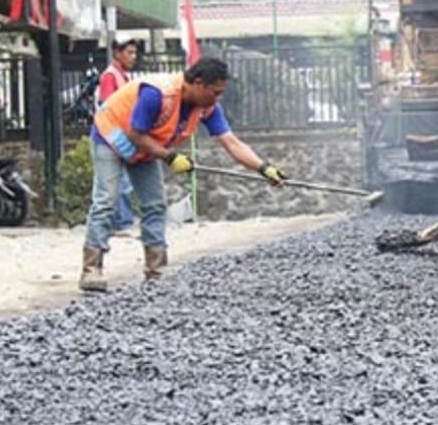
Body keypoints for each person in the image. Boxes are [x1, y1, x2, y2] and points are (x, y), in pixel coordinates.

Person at [79, 57, 285, 291]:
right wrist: (170, 157)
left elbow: (231, 142)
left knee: (155, 205)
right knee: (107, 201)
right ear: (198, 83)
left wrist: (263, 168)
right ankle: (91, 270)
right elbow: (136, 134)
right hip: (112, 136)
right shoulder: (157, 94)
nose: (217, 99)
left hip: (145, 147)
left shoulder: (206, 108)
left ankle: (157, 271)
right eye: (215, 92)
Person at [96, 38, 139, 233]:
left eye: (134, 53)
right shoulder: (110, 76)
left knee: (122, 181)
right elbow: (107, 105)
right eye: (129, 52)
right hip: (112, 134)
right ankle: (121, 223)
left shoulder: (124, 77)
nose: (133, 57)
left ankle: (122, 221)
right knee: (118, 181)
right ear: (117, 53)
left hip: (122, 133)